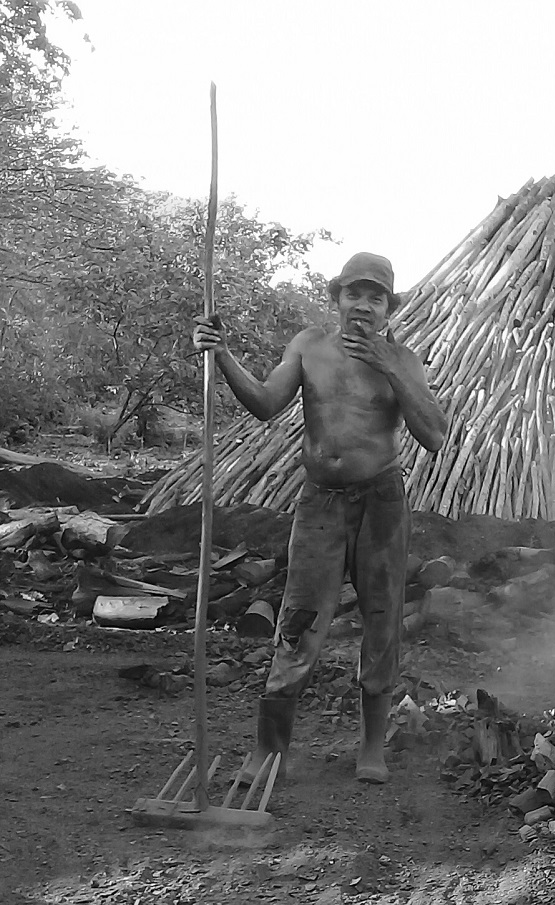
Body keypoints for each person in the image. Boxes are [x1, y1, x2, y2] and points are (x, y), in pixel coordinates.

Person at [191, 251, 447, 784]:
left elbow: (435, 436)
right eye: (354, 294)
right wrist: (222, 353)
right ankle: (269, 751)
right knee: (299, 617)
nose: (364, 306)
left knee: (382, 619)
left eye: (376, 298)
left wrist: (388, 367)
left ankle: (371, 748)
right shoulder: (309, 346)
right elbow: (266, 403)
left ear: (389, 309)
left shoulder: (404, 360)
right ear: (337, 299)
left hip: (381, 505)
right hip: (321, 504)